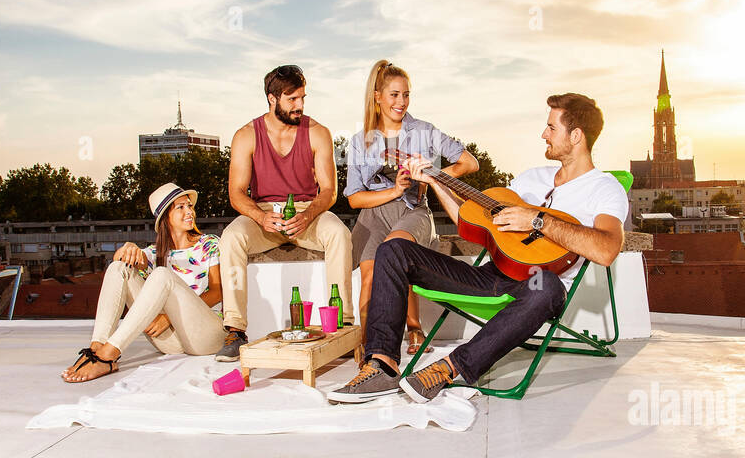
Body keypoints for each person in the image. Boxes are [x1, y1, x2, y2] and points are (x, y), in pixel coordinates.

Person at [327, 93, 629, 404]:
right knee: (393, 250)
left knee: (547, 287)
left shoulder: (604, 188)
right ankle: (382, 366)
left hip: (537, 284)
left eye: (551, 128)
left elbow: (606, 249)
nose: (543, 134)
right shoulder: (530, 179)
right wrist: (435, 180)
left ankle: (449, 368)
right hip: (490, 277)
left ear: (576, 135)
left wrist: (538, 220)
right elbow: (469, 220)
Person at [215, 64, 354, 361]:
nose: (300, 105)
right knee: (230, 238)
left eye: (302, 97)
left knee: (339, 234)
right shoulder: (245, 135)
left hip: (308, 211)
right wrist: (261, 217)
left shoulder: (318, 133)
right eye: (292, 99)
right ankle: (235, 331)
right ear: (272, 98)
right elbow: (236, 193)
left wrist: (307, 215)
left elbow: (328, 190)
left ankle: (343, 326)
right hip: (264, 214)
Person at [345, 60, 478, 355]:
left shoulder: (424, 131)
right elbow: (354, 198)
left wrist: (432, 177)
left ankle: (413, 327)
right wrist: (394, 189)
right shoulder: (359, 142)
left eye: (406, 95)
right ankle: (369, 349)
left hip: (413, 211)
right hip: (374, 215)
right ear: (377, 96)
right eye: (394, 95)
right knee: (369, 274)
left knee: (395, 253)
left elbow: (470, 162)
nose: (401, 102)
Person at [63, 182, 227, 382]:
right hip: (171, 342)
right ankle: (97, 347)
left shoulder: (209, 243)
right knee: (119, 267)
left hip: (205, 337)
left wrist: (167, 317)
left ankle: (108, 355)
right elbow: (118, 263)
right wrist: (128, 247)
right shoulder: (153, 254)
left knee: (161, 275)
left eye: (190, 206)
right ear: (165, 218)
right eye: (181, 207)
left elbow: (218, 291)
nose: (189, 212)